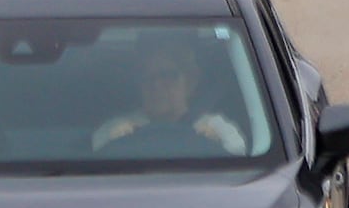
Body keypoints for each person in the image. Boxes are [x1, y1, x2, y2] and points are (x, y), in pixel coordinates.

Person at [85, 36, 249, 157]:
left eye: (168, 76)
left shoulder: (213, 124)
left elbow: (240, 152)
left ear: (189, 81)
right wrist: (115, 139)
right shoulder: (123, 124)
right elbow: (95, 148)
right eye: (148, 78)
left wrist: (216, 141)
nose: (157, 85)